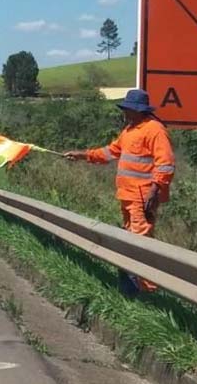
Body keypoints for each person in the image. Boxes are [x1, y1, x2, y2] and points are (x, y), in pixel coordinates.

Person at [65, 88, 175, 296]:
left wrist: (155, 189)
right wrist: (82, 155)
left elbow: (166, 163)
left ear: (138, 110)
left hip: (143, 197)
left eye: (128, 109)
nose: (124, 113)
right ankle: (136, 288)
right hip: (128, 195)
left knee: (140, 243)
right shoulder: (129, 130)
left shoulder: (154, 130)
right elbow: (110, 152)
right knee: (132, 240)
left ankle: (146, 291)